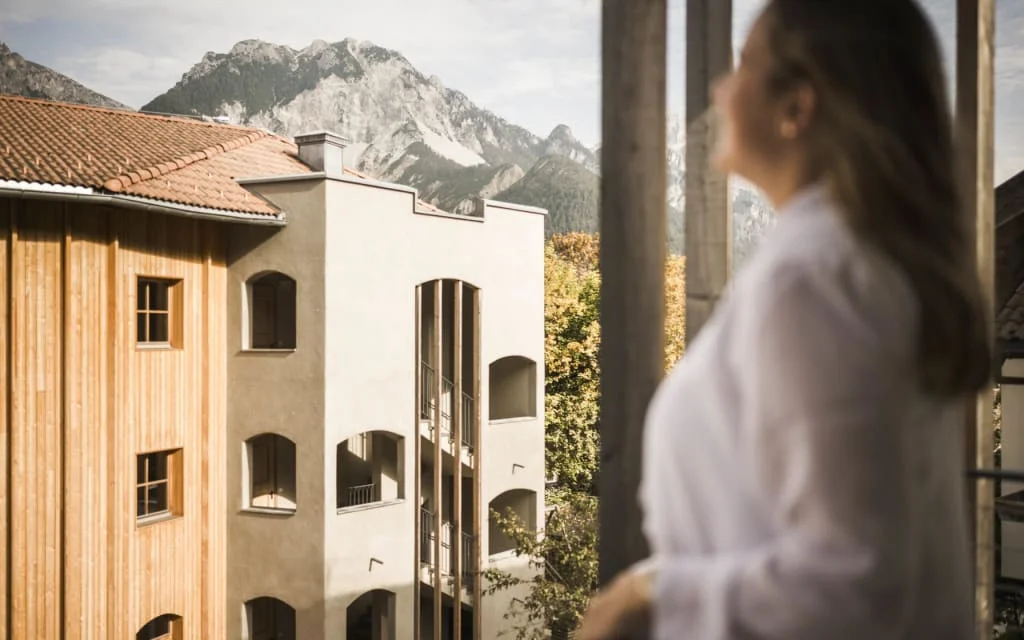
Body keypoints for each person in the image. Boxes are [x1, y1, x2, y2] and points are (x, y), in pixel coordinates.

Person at [577, 0, 990, 638]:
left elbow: (853, 584)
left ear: (796, 107)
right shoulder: (859, 265)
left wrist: (649, 597)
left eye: (741, 65)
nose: (720, 88)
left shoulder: (812, 283)